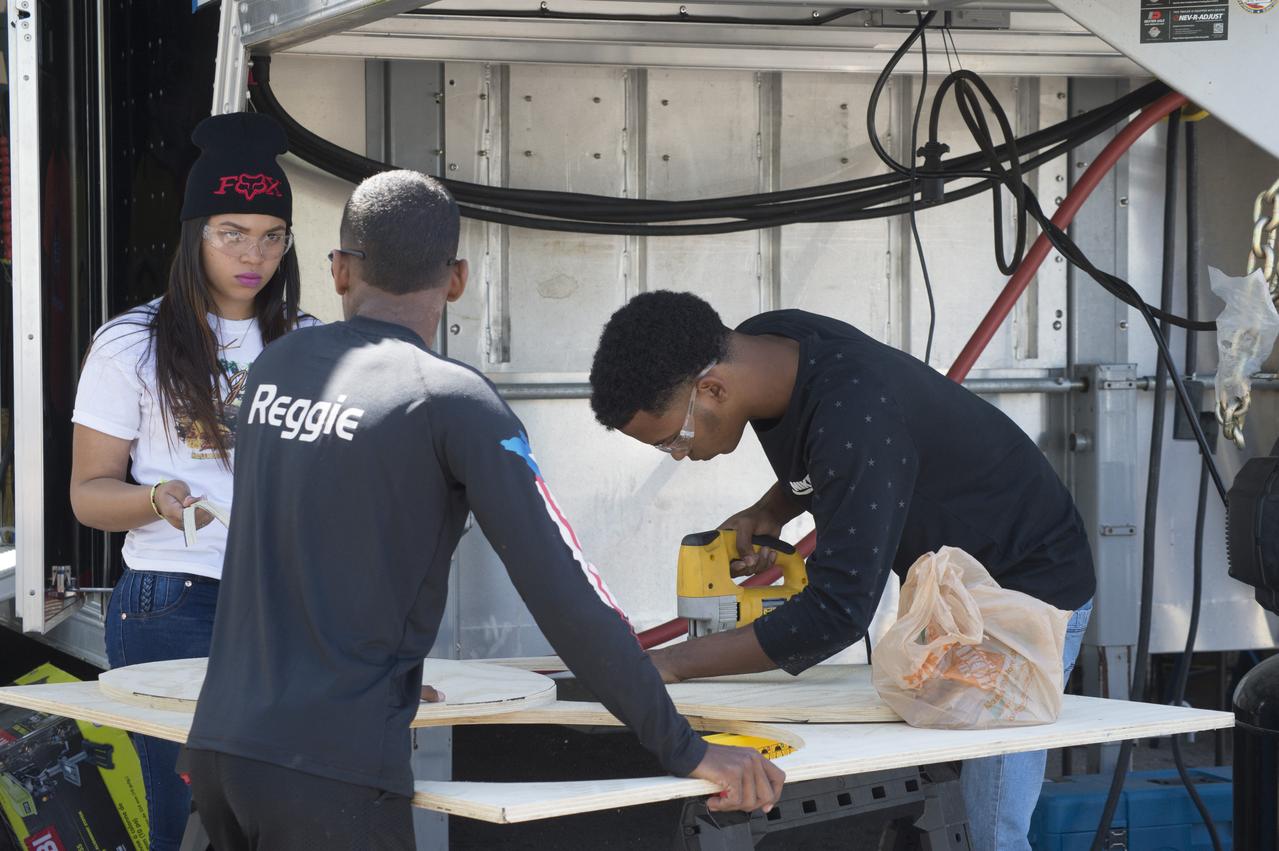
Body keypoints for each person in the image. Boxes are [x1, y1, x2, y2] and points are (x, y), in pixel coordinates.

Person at [183, 171, 784, 850]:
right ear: (459, 279)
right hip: (331, 770)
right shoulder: (450, 400)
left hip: (219, 751)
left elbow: (305, 546)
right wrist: (684, 747)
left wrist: (394, 677)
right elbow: (565, 592)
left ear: (341, 269)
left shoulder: (277, 369)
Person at [587, 291, 1096, 851]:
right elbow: (834, 453)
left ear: (712, 388)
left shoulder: (855, 411)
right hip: (953, 589)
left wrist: (672, 663)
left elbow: (837, 613)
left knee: (988, 830)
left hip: (1024, 596)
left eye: (673, 439)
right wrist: (773, 508)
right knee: (941, 800)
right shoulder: (774, 345)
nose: (679, 455)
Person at [69, 112, 314, 850]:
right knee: (182, 814)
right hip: (173, 599)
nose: (254, 253)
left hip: (283, 605)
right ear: (193, 234)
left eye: (272, 234)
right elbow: (88, 493)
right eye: (231, 232)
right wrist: (153, 498)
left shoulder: (306, 340)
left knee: (279, 809)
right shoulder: (132, 343)